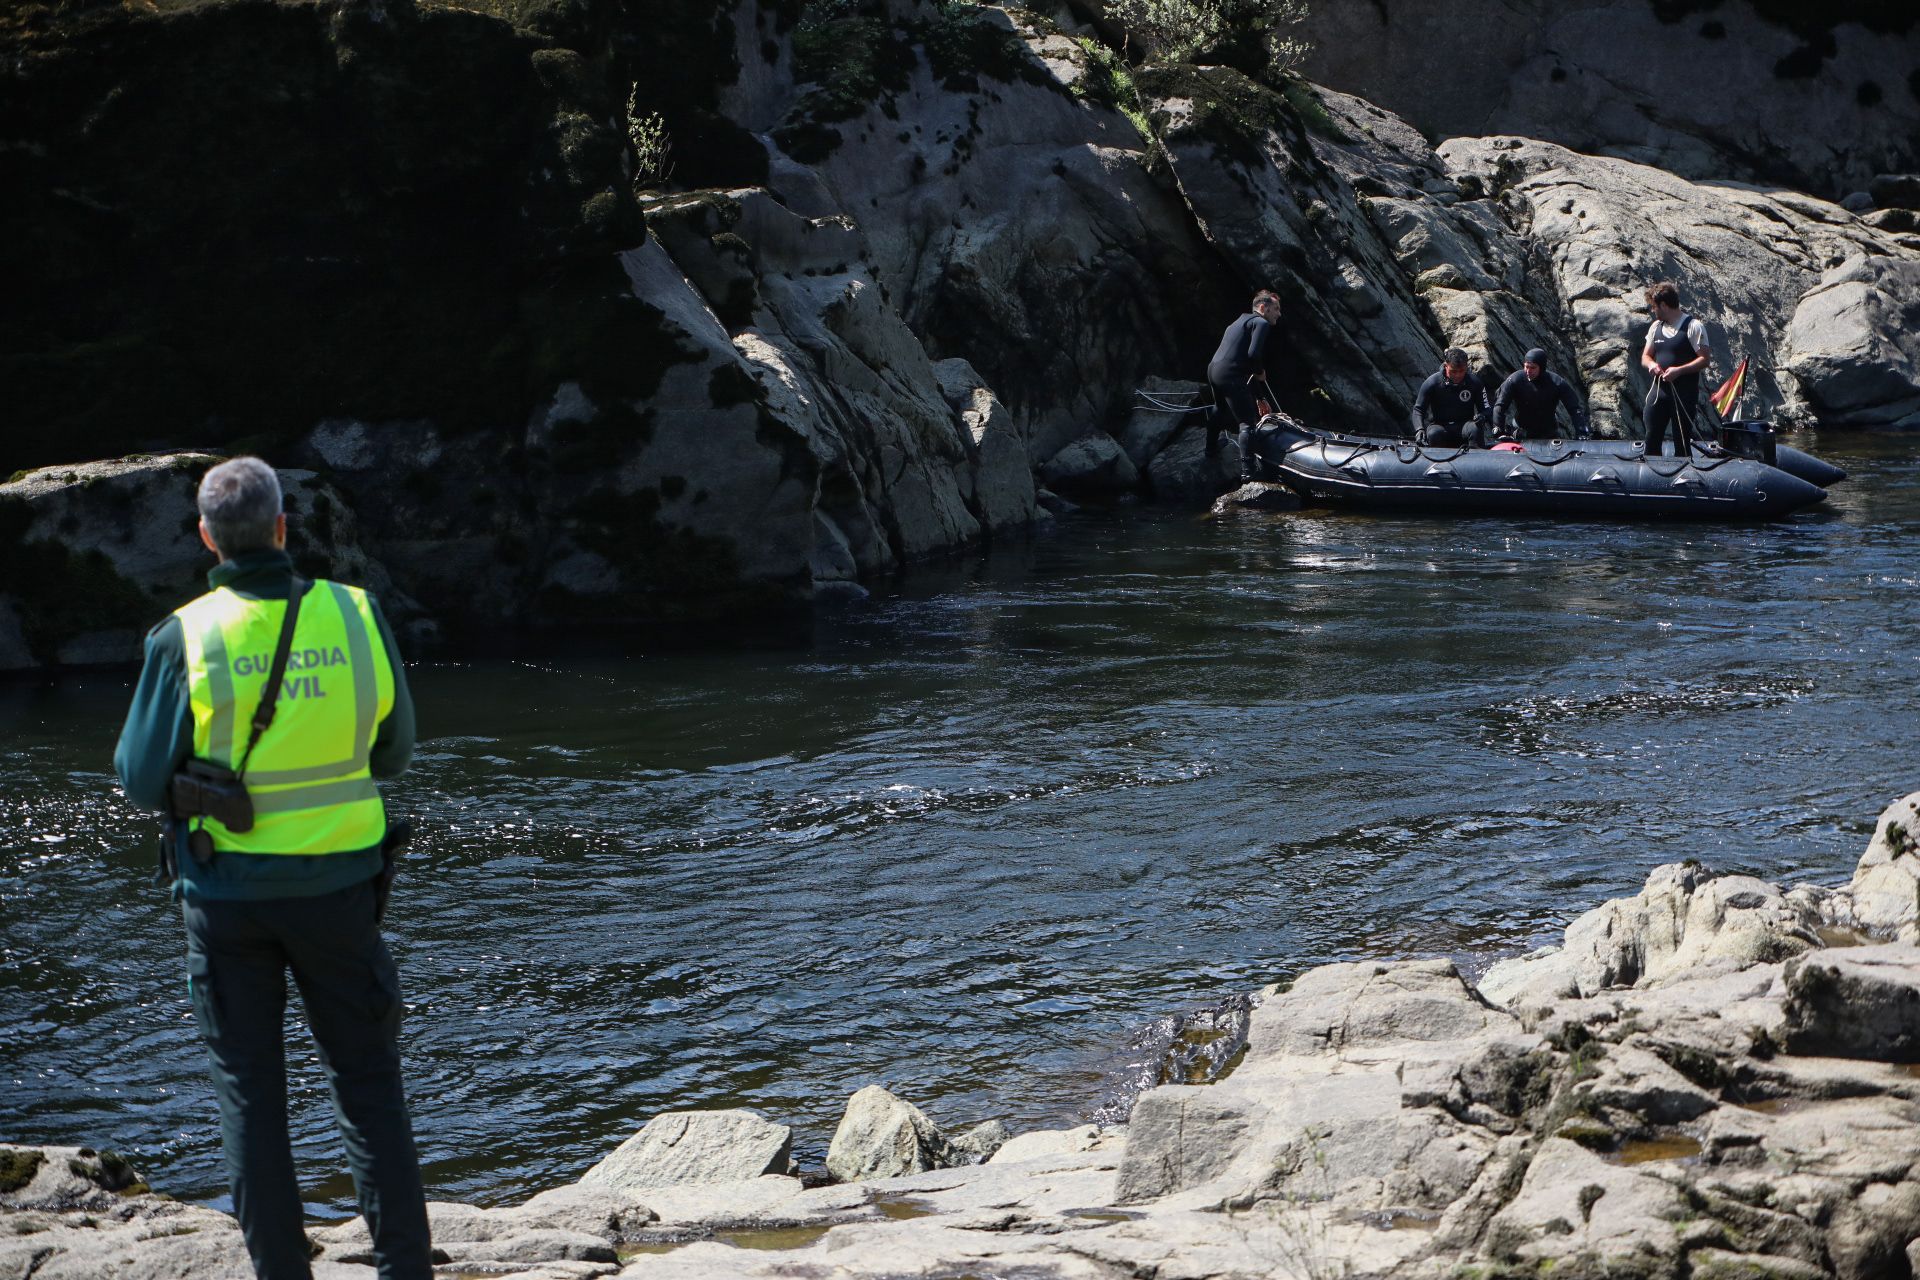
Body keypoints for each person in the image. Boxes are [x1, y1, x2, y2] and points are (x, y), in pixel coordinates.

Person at [113, 457, 430, 1280]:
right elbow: (394, 754)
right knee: (369, 1085)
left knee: (250, 1096)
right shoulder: (357, 615)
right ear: (284, 528)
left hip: (226, 899)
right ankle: (405, 1270)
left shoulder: (184, 635)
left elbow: (143, 779)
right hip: (341, 894)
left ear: (207, 538)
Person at [1206, 289, 1283, 482]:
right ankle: (1248, 473)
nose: (1279, 314)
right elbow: (1253, 355)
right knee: (1247, 423)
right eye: (1276, 309)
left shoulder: (1237, 323)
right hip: (1230, 373)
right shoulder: (1261, 322)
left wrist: (1259, 397)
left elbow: (1245, 362)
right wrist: (1260, 373)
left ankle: (1209, 450)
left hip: (1214, 370)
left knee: (1220, 408)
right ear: (1263, 308)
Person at [1641, 281, 1711, 458]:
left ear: (1664, 305)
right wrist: (1651, 365)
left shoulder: (1693, 326)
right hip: (1659, 393)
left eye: (1654, 306)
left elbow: (1704, 359)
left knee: (1681, 441)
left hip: (1683, 394)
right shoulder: (1656, 327)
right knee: (1651, 438)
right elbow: (1645, 356)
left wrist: (1679, 370)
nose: (1653, 310)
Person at [1493, 348, 1590, 440]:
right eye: (1526, 366)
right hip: (1520, 431)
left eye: (1533, 368)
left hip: (1548, 433)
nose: (1528, 371)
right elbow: (1500, 406)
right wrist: (1499, 430)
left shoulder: (1556, 382)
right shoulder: (1515, 379)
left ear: (1542, 367)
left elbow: (1574, 409)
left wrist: (1582, 433)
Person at [1409, 347, 1492, 446]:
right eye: (1453, 371)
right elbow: (1418, 409)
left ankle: (1477, 458)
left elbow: (1487, 409)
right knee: (1433, 434)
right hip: (1439, 426)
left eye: (1461, 371)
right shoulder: (1432, 383)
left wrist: (1482, 416)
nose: (1457, 375)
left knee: (1475, 428)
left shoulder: (1475, 382)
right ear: (1445, 366)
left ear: (1466, 366)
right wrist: (1419, 430)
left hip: (1465, 425)